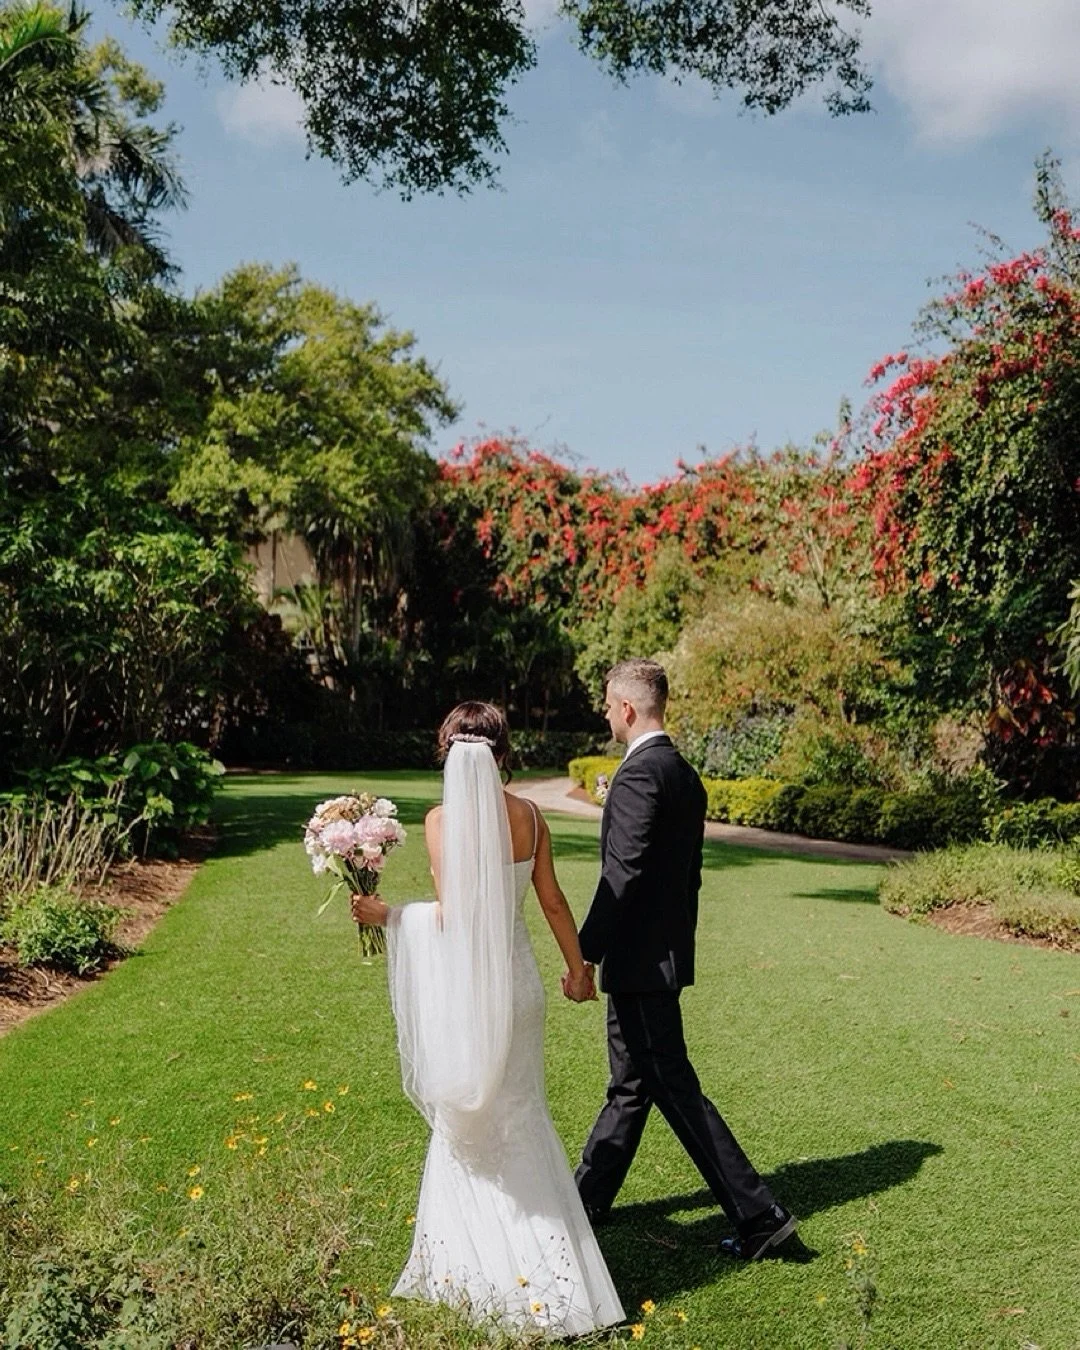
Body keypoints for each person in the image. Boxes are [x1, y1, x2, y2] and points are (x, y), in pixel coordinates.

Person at [350, 701, 624, 1336]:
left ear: (448, 754)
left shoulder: (441, 821)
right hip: (521, 990)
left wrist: (388, 915)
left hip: (470, 995)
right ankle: (560, 1277)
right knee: (522, 1116)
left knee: (466, 1124)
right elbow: (552, 901)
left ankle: (467, 1272)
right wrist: (579, 970)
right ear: (502, 754)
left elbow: (452, 918)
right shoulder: (529, 816)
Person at [572, 659, 797, 1261]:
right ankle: (585, 1199)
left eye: (607, 705)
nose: (606, 715)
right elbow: (683, 878)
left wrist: (583, 953)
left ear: (626, 708)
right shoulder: (682, 773)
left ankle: (760, 1214)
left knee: (671, 1084)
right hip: (659, 957)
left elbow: (621, 875)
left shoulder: (640, 776)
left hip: (641, 964)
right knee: (632, 1086)